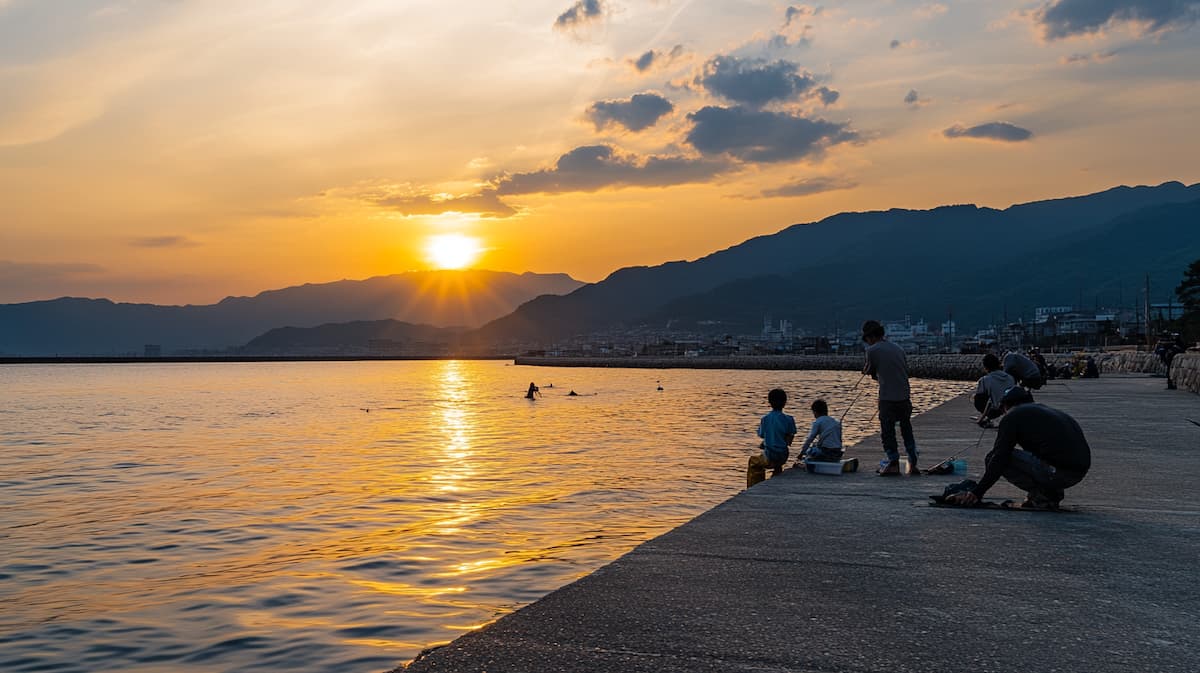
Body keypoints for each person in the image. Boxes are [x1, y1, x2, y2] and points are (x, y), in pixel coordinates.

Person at [947, 386, 1091, 509]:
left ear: (1005, 406)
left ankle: (1043, 496)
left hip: (1057, 473)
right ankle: (1050, 493)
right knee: (1037, 455)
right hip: (1077, 473)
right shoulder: (1043, 412)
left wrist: (977, 493)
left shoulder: (1012, 416)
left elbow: (1000, 457)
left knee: (992, 457)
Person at [862, 320, 919, 475]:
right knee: (906, 429)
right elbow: (904, 370)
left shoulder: (872, 351)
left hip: (888, 397)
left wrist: (868, 372)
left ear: (871, 336)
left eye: (867, 339)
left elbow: (869, 370)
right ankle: (913, 463)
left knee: (888, 432)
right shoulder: (899, 348)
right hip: (904, 395)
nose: (867, 342)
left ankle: (893, 463)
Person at [747, 388, 797, 488]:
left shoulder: (765, 419)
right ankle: (777, 472)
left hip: (771, 456)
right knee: (777, 460)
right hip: (783, 456)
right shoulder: (789, 419)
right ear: (785, 403)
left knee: (753, 462)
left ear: (769, 402)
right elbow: (789, 438)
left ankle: (754, 486)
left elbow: (761, 434)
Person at [796, 399, 843, 464]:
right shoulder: (836, 422)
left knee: (810, 450)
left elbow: (810, 439)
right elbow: (839, 440)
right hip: (838, 453)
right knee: (816, 445)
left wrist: (801, 454)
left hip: (826, 453)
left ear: (815, 412)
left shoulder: (818, 422)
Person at [973, 353, 1015, 427]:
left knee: (977, 397)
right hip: (1011, 409)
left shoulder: (984, 380)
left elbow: (988, 401)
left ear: (985, 367)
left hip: (997, 410)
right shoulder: (1010, 377)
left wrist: (981, 419)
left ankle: (989, 417)